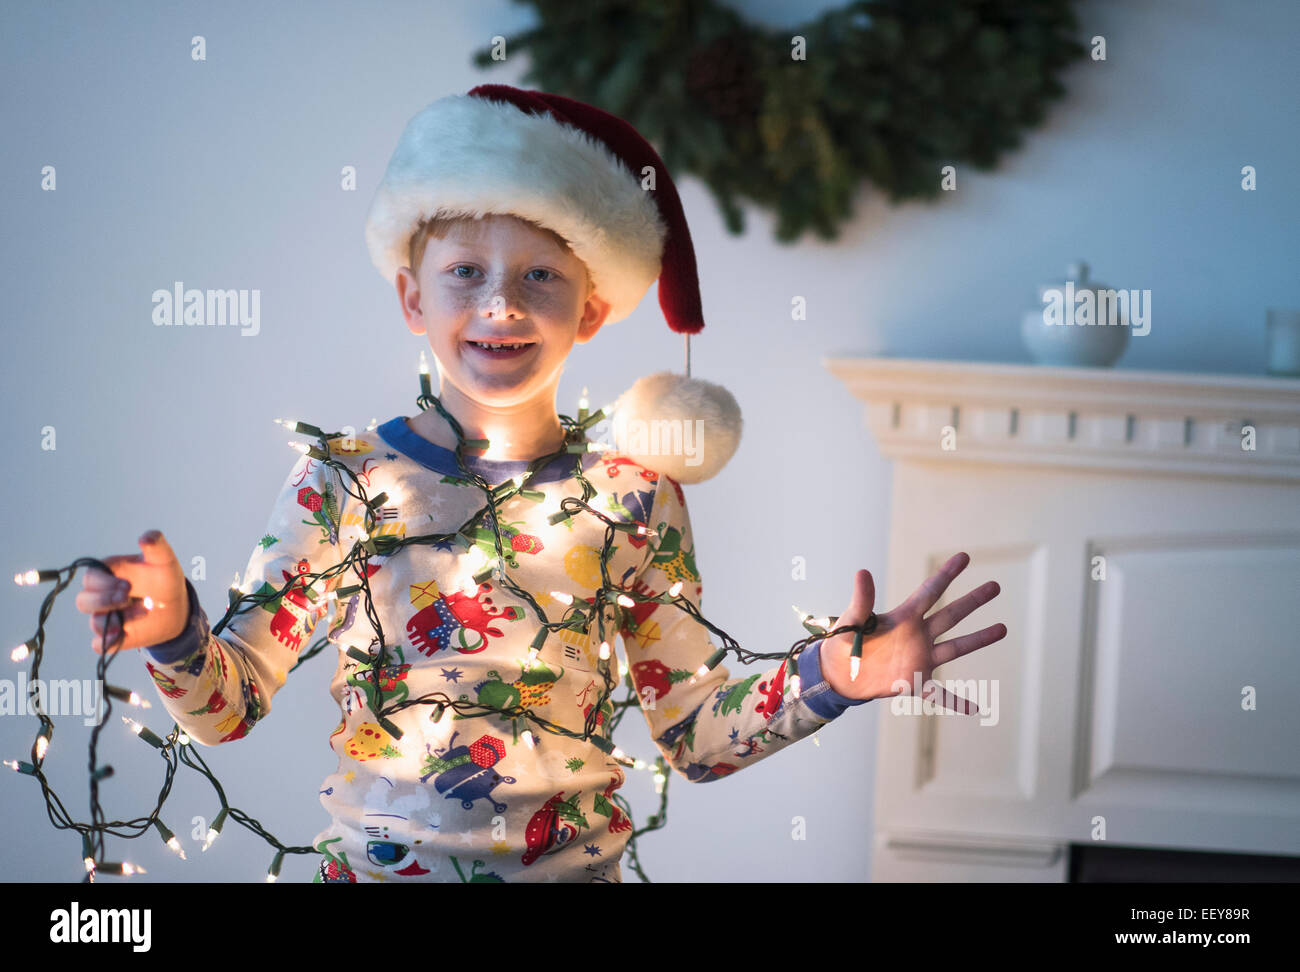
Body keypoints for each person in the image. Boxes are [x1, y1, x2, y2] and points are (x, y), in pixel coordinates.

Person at [75, 86, 1007, 882]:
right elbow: (228, 706)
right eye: (464, 272)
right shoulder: (346, 483)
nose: (500, 304)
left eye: (539, 276)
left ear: (591, 309)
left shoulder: (634, 497)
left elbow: (692, 733)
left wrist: (831, 677)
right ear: (412, 299)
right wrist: (174, 633)